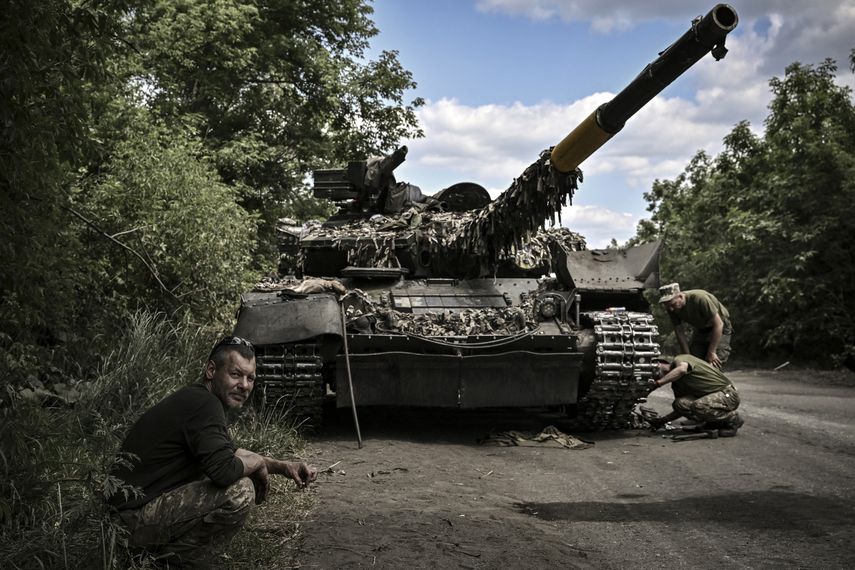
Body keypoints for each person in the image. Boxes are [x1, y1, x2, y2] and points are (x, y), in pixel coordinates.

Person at [110, 335, 317, 567]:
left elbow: (229, 453)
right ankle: (168, 565)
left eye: (251, 378)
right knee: (240, 492)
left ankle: (155, 561)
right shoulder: (205, 404)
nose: (245, 385)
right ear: (211, 370)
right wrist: (256, 464)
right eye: (236, 374)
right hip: (128, 524)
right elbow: (225, 471)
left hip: (122, 520)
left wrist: (283, 466)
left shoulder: (198, 399)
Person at [647, 354, 744, 437]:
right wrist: (662, 420)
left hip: (727, 394)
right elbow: (680, 410)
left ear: (661, 362)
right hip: (713, 397)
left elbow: (682, 370)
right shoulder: (677, 384)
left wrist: (658, 383)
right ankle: (713, 423)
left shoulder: (680, 359)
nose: (654, 372)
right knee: (680, 404)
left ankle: (733, 419)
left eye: (654, 367)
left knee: (699, 406)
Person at [658, 283, 732, 369]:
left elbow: (719, 324)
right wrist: (687, 356)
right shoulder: (671, 308)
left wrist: (712, 352)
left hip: (720, 328)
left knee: (713, 364)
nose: (671, 309)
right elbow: (679, 331)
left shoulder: (699, 298)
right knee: (692, 364)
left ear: (681, 296)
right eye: (667, 306)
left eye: (673, 304)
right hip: (701, 329)